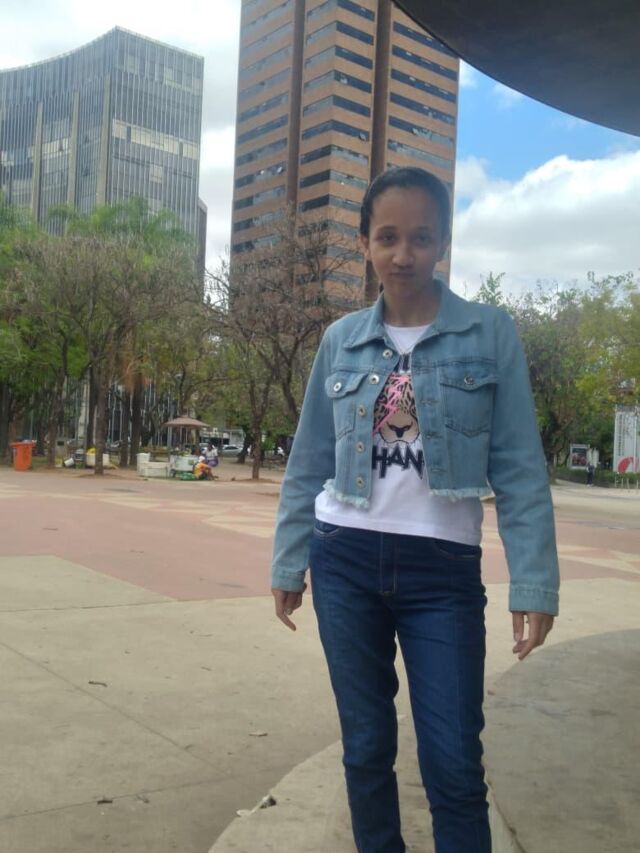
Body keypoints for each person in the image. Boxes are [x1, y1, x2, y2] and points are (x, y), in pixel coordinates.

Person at [271, 166, 559, 853]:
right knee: (366, 747)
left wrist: (534, 580)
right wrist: (288, 560)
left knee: (454, 761)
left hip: (443, 572)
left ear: (443, 243)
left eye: (422, 238)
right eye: (388, 237)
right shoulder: (340, 339)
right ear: (365, 242)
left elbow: (519, 465)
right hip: (343, 561)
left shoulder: (489, 333)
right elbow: (308, 460)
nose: (404, 254)